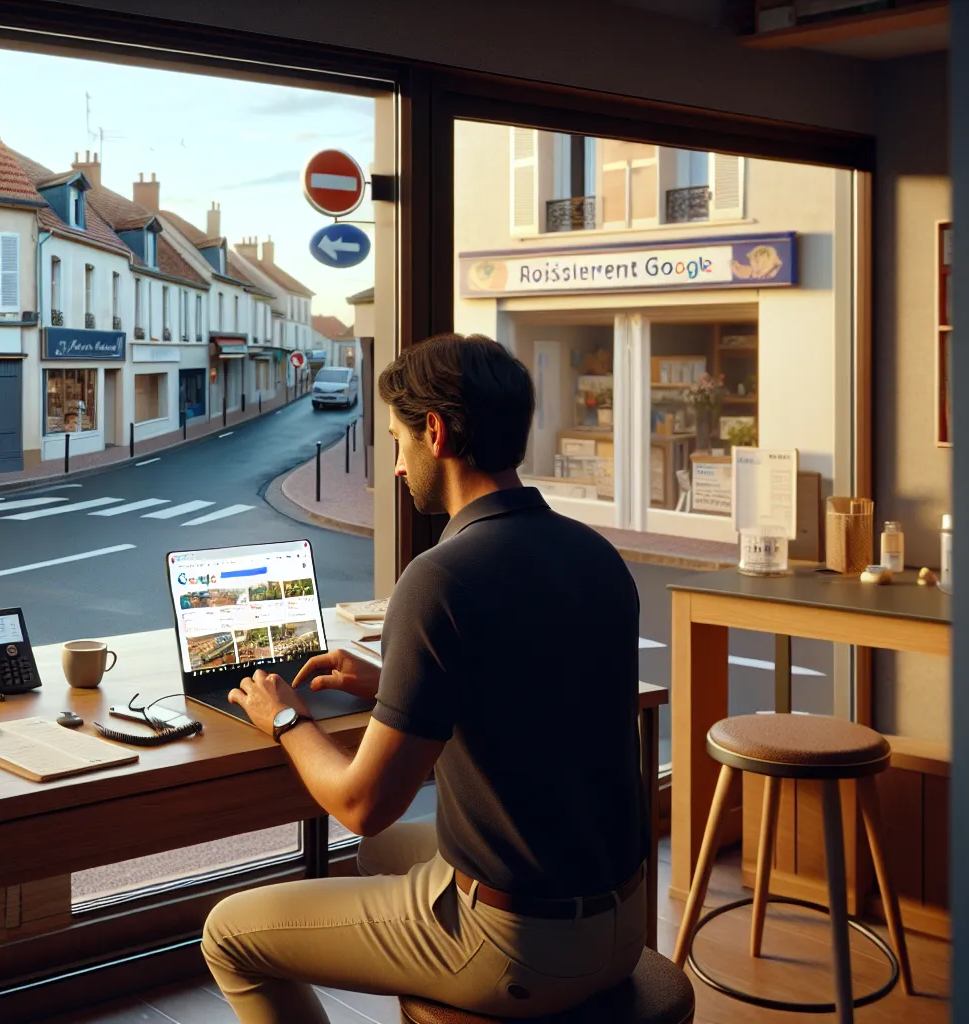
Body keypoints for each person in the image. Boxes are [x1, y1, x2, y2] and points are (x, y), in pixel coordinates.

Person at [204, 334, 647, 1022]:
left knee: (229, 933)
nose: (399, 467)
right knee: (384, 854)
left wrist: (284, 717)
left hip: (522, 947)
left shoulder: (441, 577)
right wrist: (392, 686)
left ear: (434, 432)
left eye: (397, 440)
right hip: (623, 920)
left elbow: (361, 805)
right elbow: (529, 697)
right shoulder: (593, 553)